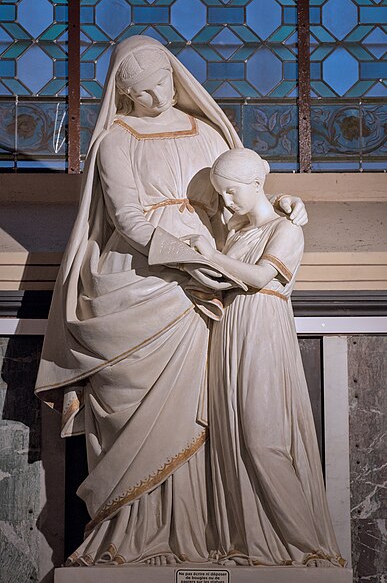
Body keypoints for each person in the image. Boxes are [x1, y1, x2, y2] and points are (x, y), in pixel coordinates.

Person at [35, 36, 308, 566]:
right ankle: (130, 537)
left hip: (204, 286)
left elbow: (238, 198)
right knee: (134, 411)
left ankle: (198, 535)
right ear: (124, 93)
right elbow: (128, 221)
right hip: (142, 277)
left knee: (201, 409)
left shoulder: (206, 131)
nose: (156, 99)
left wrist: (280, 206)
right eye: (141, 93)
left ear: (175, 78)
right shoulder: (115, 141)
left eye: (162, 85)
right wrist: (186, 256)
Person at [187, 148, 345, 568]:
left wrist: (209, 254)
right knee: (231, 437)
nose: (227, 203)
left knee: (262, 438)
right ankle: (249, 543)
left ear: (256, 184)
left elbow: (259, 277)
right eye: (221, 195)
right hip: (229, 330)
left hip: (262, 326)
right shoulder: (237, 234)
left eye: (232, 192)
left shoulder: (287, 230)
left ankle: (309, 544)